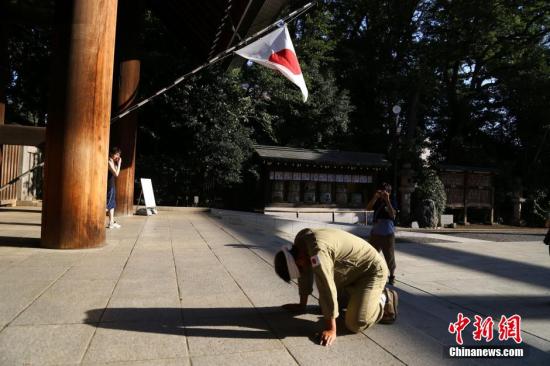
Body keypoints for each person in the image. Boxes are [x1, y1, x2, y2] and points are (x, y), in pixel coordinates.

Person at [274, 228, 398, 347]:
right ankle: (358, 294)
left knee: (355, 323)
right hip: (352, 273)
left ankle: (384, 298)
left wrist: (331, 329)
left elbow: (326, 287)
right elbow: (305, 275)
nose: (301, 273)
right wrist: (302, 305)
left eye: (299, 269)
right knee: (325, 307)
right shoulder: (300, 244)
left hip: (372, 271)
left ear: (299, 259)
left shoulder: (318, 253)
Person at [367, 182, 397, 285]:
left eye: (385, 191)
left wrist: (387, 200)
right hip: (375, 232)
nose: (383, 193)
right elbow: (368, 208)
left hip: (387, 234)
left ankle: (392, 276)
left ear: (389, 192)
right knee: (371, 254)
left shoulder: (392, 201)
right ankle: (370, 274)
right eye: (381, 191)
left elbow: (393, 215)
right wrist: (375, 197)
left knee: (389, 256)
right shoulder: (377, 201)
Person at [106, 147, 122, 229]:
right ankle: (111, 222)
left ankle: (111, 222)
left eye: (118, 155)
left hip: (111, 184)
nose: (117, 156)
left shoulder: (112, 161)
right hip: (109, 185)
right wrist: (119, 164)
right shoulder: (109, 161)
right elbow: (116, 174)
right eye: (116, 154)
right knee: (109, 204)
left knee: (112, 204)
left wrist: (117, 163)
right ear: (112, 154)